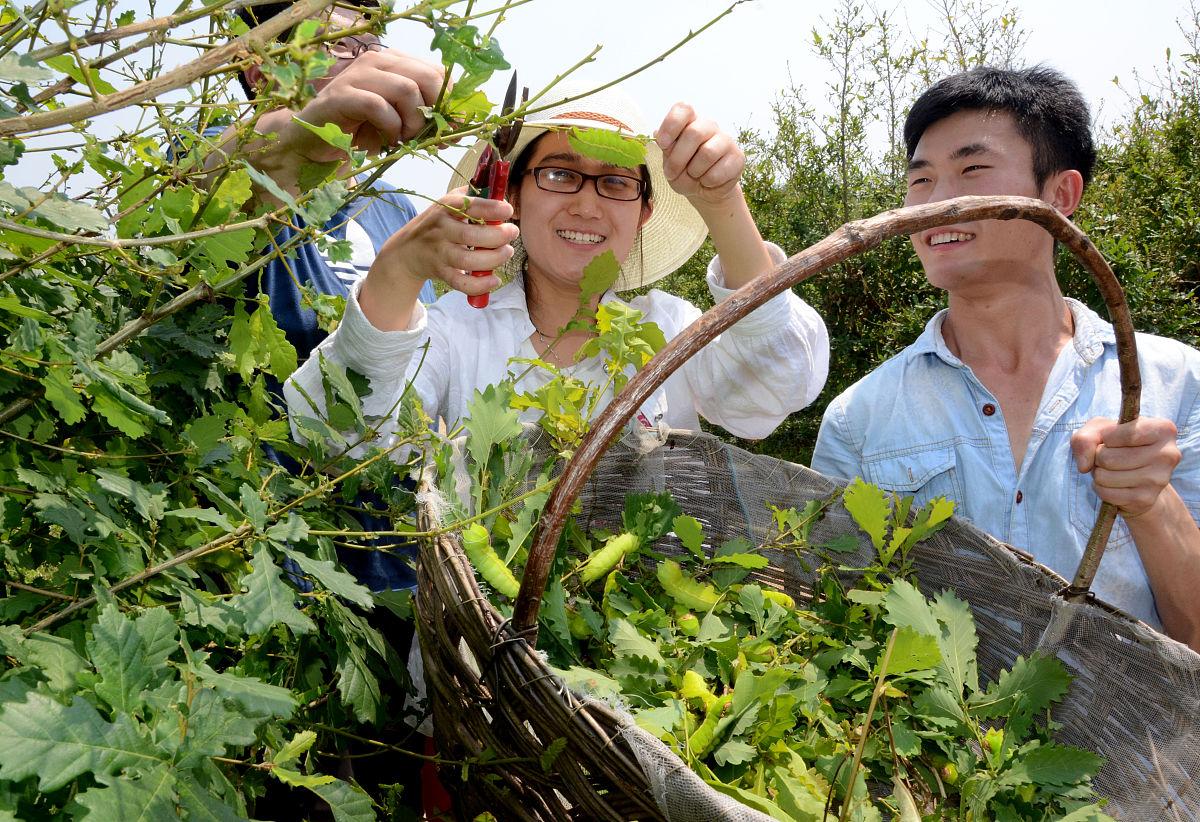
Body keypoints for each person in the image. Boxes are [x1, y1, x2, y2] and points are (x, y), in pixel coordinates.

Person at [810, 66, 1200, 651]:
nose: (936, 204)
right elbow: (833, 627)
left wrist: (1151, 502)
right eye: (921, 180)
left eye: (972, 170)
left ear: (1059, 196)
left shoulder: (1179, 384)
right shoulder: (857, 419)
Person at [285, 86, 829, 460]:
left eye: (615, 182)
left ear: (643, 212)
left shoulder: (669, 329)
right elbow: (335, 435)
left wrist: (722, 202)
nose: (587, 206)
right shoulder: (456, 332)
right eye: (560, 174)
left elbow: (774, 390)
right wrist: (398, 269)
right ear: (515, 196)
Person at [203, 0, 441, 359]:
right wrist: (302, 133)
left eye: (374, 45)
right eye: (339, 43)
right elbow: (219, 174)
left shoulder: (396, 206)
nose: (369, 60)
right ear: (263, 74)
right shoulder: (205, 155)